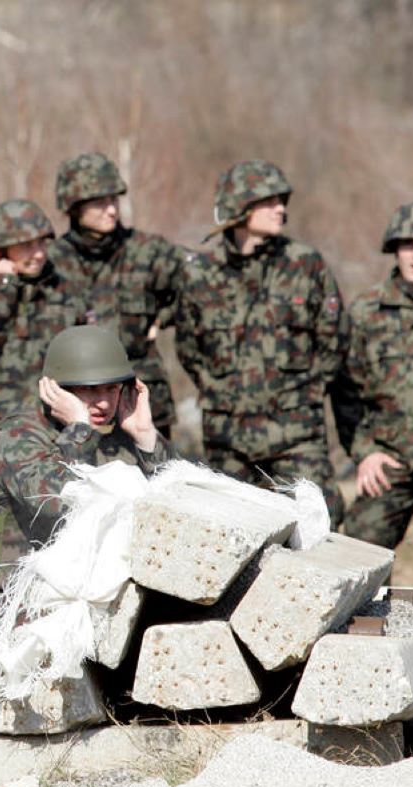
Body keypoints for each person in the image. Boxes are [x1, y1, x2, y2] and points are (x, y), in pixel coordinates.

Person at [175, 159, 347, 526]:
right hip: (228, 439)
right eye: (268, 202)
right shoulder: (200, 274)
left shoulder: (305, 265)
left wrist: (303, 395)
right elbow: (189, 349)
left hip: (297, 434)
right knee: (226, 537)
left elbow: (334, 341)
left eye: (282, 201)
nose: (281, 209)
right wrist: (222, 392)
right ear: (239, 207)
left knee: (321, 527)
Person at [0, 326, 173, 598]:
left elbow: (178, 505)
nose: (103, 403)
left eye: (111, 389)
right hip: (15, 597)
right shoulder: (17, 437)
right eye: (89, 390)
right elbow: (56, 503)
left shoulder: (112, 435)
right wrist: (79, 428)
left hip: (91, 588)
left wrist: (146, 437)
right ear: (56, 390)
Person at [0, 199, 86, 599]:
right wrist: (4, 289)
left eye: (41, 243)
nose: (37, 253)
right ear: (0, 249)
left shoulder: (65, 289)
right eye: (24, 245)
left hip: (50, 436)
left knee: (58, 540)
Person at [334, 202, 413, 585]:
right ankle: (364, 643)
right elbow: (346, 391)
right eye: (407, 245)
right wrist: (364, 452)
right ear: (394, 250)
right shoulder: (367, 311)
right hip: (388, 462)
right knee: (354, 561)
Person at [46, 153, 190, 438]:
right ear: (74, 206)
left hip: (139, 407)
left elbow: (202, 286)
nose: (111, 210)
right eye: (100, 202)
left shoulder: (148, 251)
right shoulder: (51, 263)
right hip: (74, 409)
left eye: (114, 200)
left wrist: (162, 318)